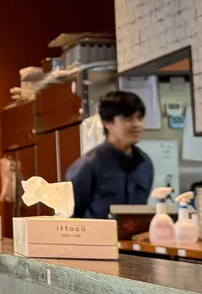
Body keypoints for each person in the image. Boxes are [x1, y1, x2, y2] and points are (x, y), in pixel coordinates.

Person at [65, 90, 155, 220]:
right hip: (96, 238)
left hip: (132, 239)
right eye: (128, 118)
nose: (136, 124)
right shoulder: (89, 165)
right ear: (108, 123)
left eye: (139, 118)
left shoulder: (145, 163)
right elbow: (71, 215)